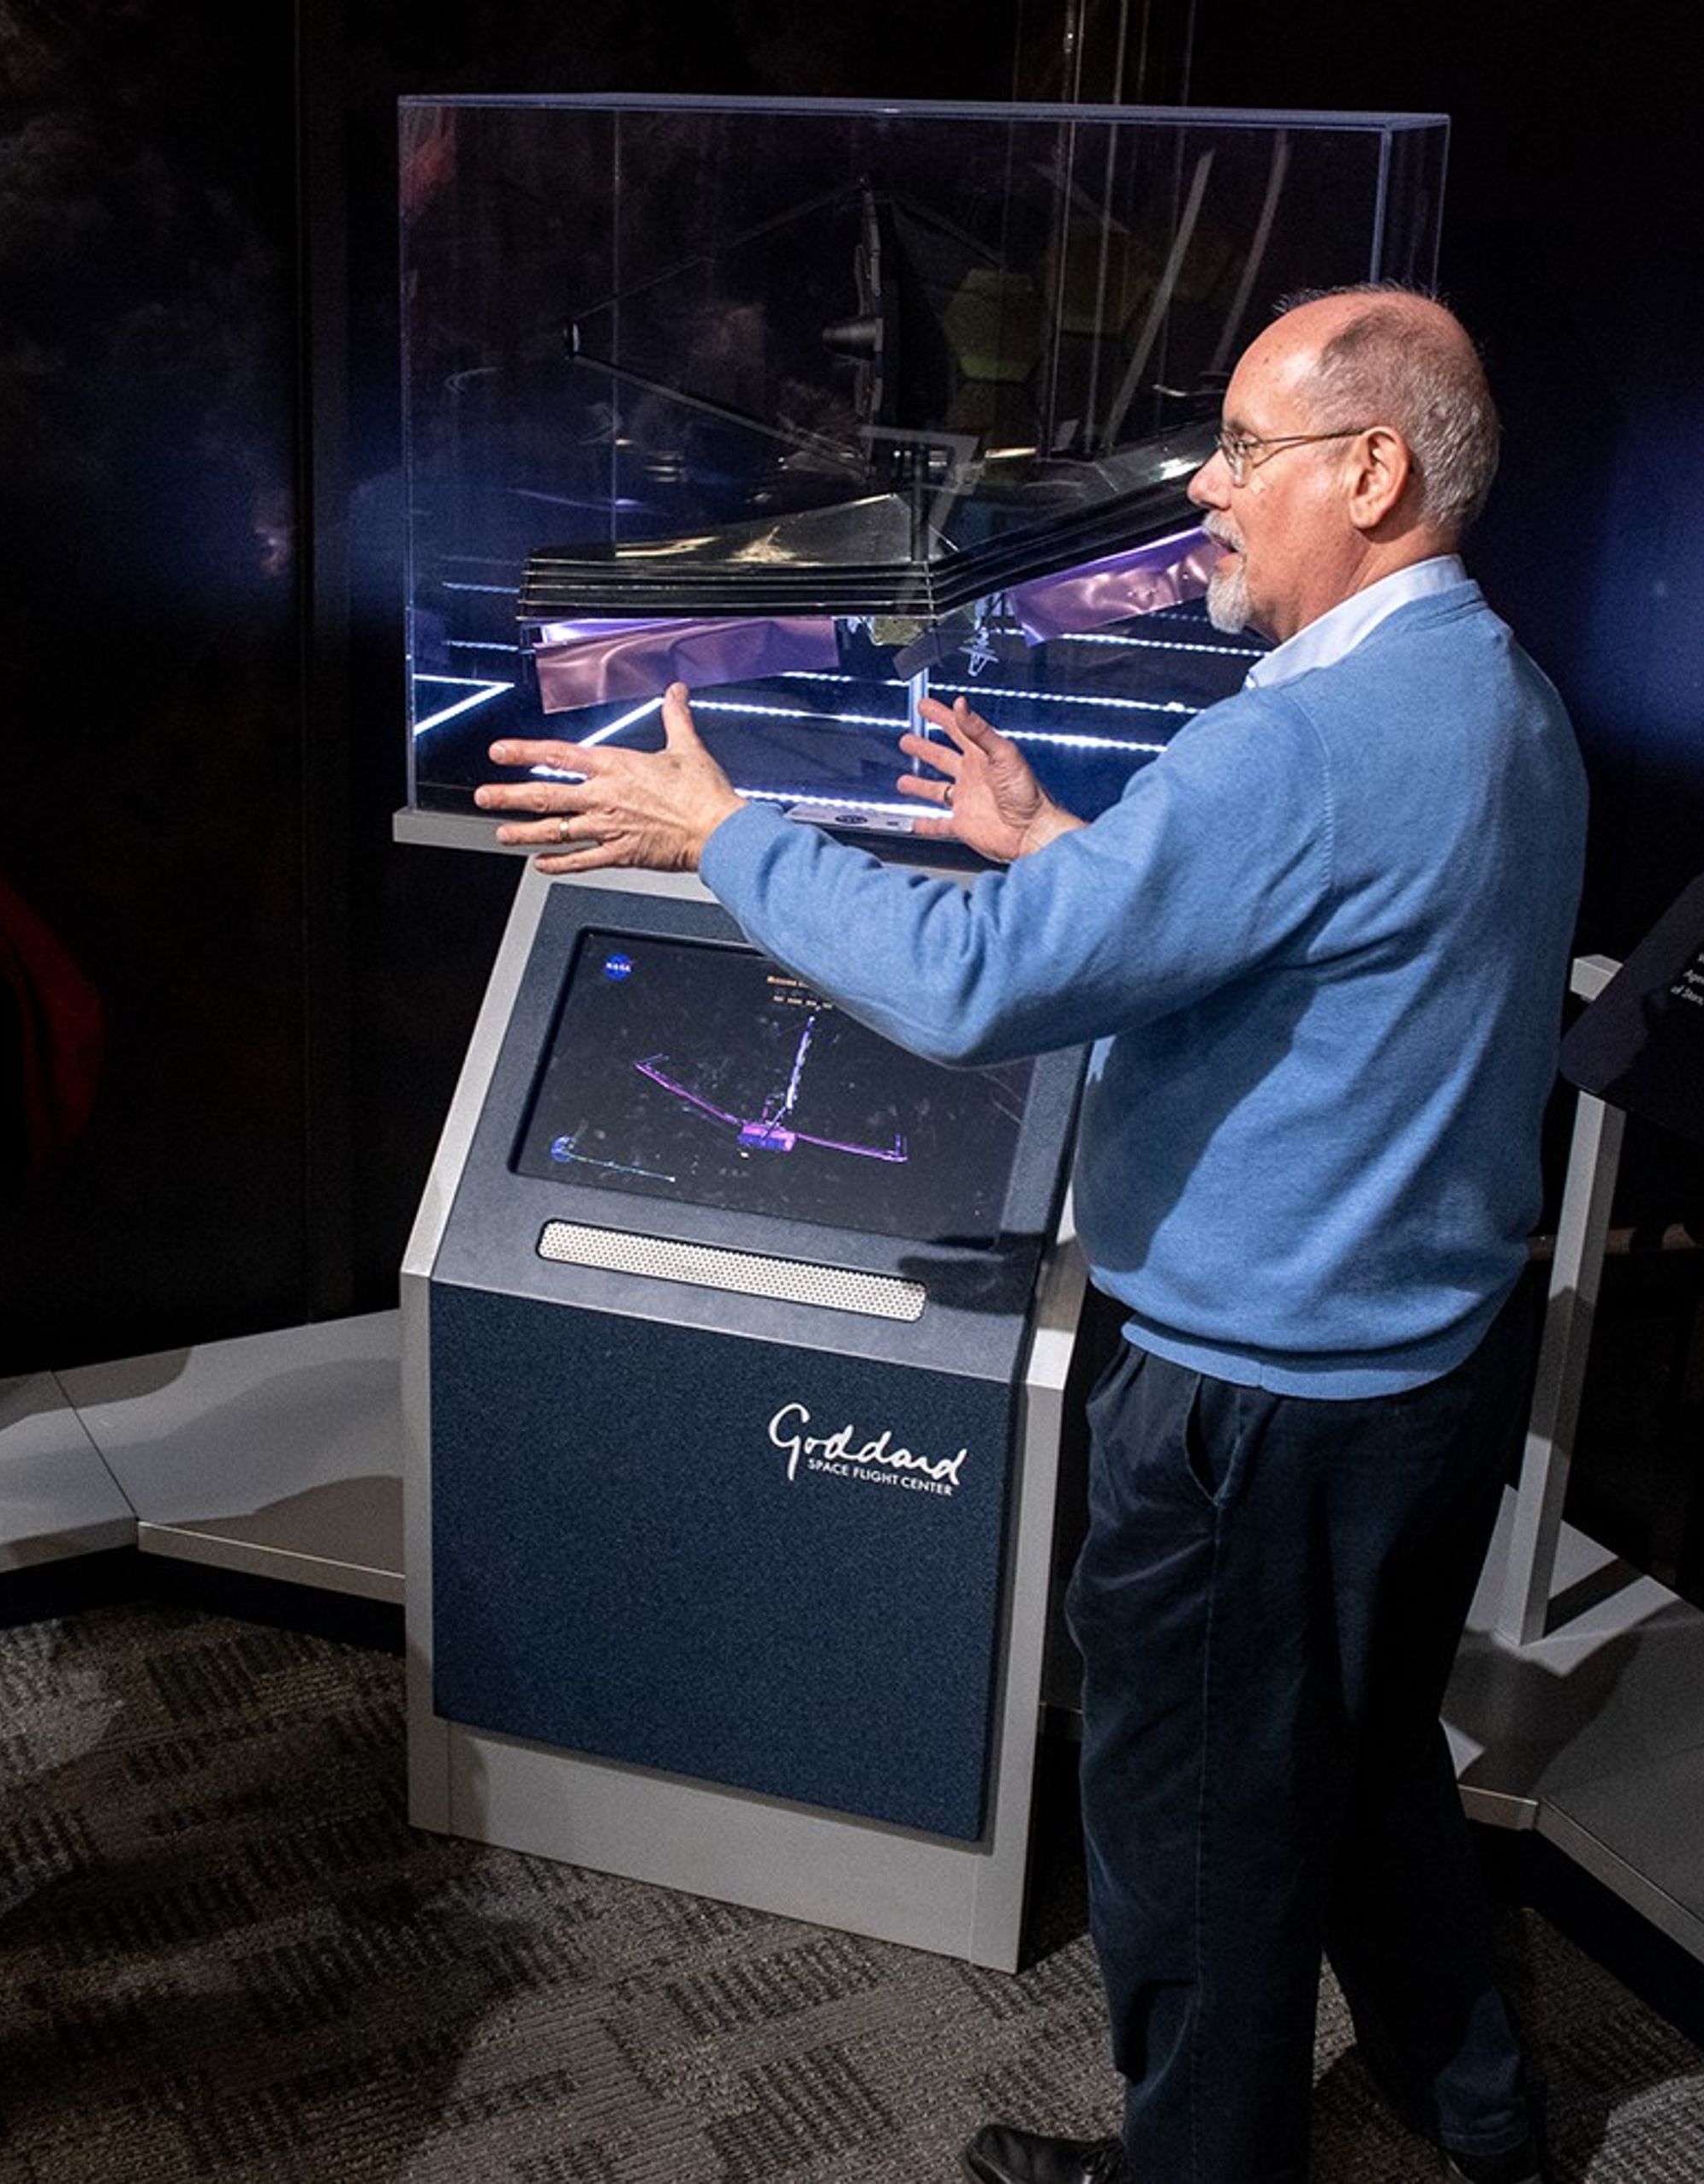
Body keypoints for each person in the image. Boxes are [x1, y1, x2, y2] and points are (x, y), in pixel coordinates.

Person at [477, 287, 1582, 2184]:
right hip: (1422, 1383)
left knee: (1199, 1831)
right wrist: (1063, 846)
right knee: (1368, 1757)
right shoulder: (1500, 697)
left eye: (1243, 450)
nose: (1205, 491)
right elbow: (1330, 959)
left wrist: (719, 835)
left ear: (1371, 470)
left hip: (1253, 1415)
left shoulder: (1299, 748)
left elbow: (977, 988)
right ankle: (1476, 2110)